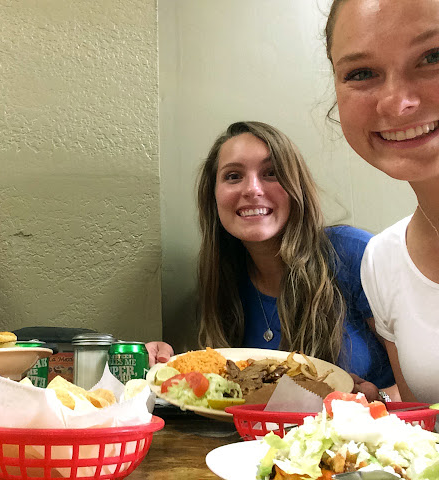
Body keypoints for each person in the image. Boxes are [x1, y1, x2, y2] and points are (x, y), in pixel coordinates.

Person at [148, 121, 396, 400]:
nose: (252, 189)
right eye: (233, 176)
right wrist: (166, 364)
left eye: (272, 173)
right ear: (213, 196)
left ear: (297, 188)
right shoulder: (225, 282)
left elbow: (423, 384)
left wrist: (377, 401)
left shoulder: (354, 253)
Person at [325, 0, 439, 403]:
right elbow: (420, 433)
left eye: (433, 56)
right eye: (361, 73)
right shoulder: (383, 260)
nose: (396, 102)